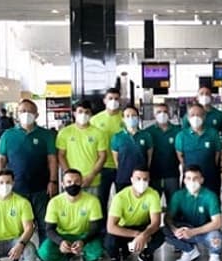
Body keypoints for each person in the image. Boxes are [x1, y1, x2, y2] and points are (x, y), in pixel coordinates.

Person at [0, 99, 58, 244]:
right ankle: (19, 256)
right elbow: (1, 160)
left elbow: (52, 160)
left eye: (30, 111)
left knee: (45, 224)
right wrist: (0, 183)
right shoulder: (8, 135)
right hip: (16, 188)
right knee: (17, 224)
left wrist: (53, 181)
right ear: (17, 114)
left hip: (41, 187)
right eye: (22, 111)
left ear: (37, 115)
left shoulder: (47, 135)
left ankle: (45, 253)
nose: (26, 114)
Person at [38, 169, 104, 261]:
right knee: (44, 252)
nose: (72, 184)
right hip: (63, 235)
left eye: (76, 181)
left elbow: (95, 227)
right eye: (69, 182)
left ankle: (87, 260)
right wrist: (60, 242)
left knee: (98, 250)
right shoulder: (54, 202)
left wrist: (83, 241)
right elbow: (49, 229)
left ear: (82, 183)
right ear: (63, 184)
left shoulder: (92, 201)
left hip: (84, 235)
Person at [105, 167, 164, 261]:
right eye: (138, 178)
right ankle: (116, 259)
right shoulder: (120, 197)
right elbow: (111, 227)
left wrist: (144, 235)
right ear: (132, 179)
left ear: (149, 180)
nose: (142, 182)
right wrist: (137, 235)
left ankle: (146, 254)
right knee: (109, 241)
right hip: (124, 229)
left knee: (160, 235)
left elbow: (156, 223)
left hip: (143, 227)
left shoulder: (153, 194)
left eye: (145, 179)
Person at [162, 165, 222, 261]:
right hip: (185, 229)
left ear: (201, 180)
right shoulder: (178, 195)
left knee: (216, 236)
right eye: (189, 178)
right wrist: (175, 229)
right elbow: (168, 218)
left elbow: (217, 222)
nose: (192, 181)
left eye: (195, 178)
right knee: (164, 231)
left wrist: (193, 232)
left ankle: (214, 255)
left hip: (205, 231)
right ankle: (189, 251)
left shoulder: (210, 196)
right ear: (184, 180)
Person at [56, 99, 107, 197]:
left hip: (92, 180)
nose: (83, 115)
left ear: (91, 114)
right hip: (71, 182)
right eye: (80, 112)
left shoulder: (99, 133)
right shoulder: (64, 133)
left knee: (92, 208)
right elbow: (61, 155)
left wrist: (91, 175)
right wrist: (69, 175)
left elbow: (102, 156)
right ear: (74, 113)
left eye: (86, 112)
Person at [175, 103, 222, 194]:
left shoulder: (213, 133)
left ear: (204, 117)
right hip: (190, 179)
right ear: (188, 118)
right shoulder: (181, 136)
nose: (195, 117)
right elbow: (180, 157)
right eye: (192, 115)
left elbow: (217, 155)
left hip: (210, 178)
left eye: (199, 115)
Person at [90, 88, 123, 216]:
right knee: (101, 200)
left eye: (116, 99)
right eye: (110, 98)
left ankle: (121, 227)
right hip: (102, 167)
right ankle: (102, 229)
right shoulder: (95, 120)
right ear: (104, 100)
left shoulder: (125, 118)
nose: (113, 101)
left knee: (122, 199)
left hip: (121, 167)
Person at [111, 105, 153, 192]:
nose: (131, 118)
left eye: (134, 115)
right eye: (127, 116)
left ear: (138, 117)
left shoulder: (146, 135)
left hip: (141, 178)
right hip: (123, 178)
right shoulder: (117, 137)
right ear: (123, 118)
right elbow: (116, 160)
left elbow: (149, 158)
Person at [146, 103, 181, 203]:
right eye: (159, 112)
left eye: (165, 112)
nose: (162, 114)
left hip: (172, 175)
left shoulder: (177, 131)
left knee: (174, 205)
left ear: (169, 114)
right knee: (152, 205)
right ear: (154, 114)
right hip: (154, 176)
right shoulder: (148, 132)